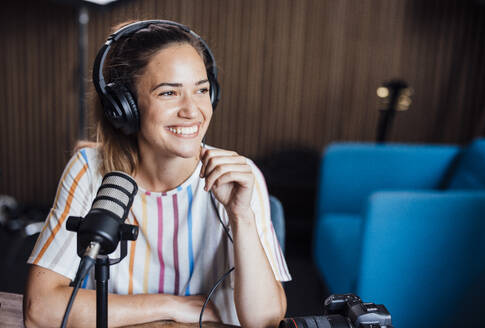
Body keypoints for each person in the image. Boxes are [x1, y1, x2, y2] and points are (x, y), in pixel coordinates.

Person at [23, 20, 291, 328]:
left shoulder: (240, 177)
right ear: (124, 106)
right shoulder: (89, 170)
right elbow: (40, 308)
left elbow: (266, 322)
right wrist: (170, 305)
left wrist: (240, 216)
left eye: (201, 90)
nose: (192, 110)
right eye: (169, 93)